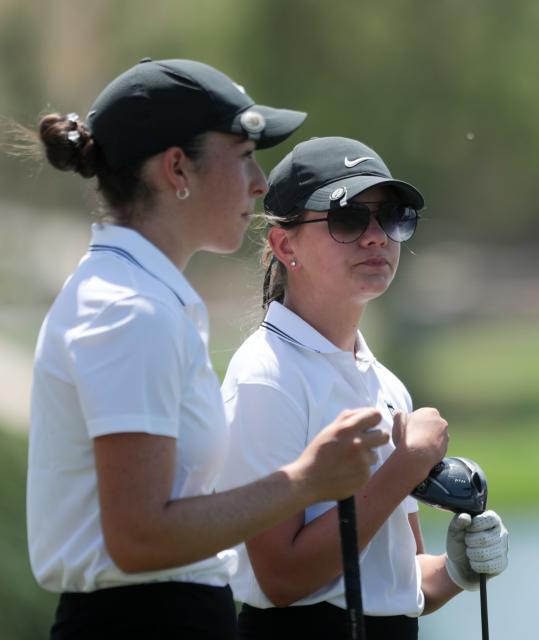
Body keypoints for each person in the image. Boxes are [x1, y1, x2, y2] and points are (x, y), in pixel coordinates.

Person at [25, 59, 390, 640]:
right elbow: (140, 535)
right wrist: (306, 480)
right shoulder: (129, 309)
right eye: (244, 154)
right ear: (177, 169)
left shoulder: (142, 297)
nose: (261, 182)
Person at [216, 136, 510, 639]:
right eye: (347, 218)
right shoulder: (266, 375)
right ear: (286, 246)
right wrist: (406, 466)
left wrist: (457, 570)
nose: (376, 237)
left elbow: (395, 582)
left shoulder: (385, 383)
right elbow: (282, 578)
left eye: (391, 217)